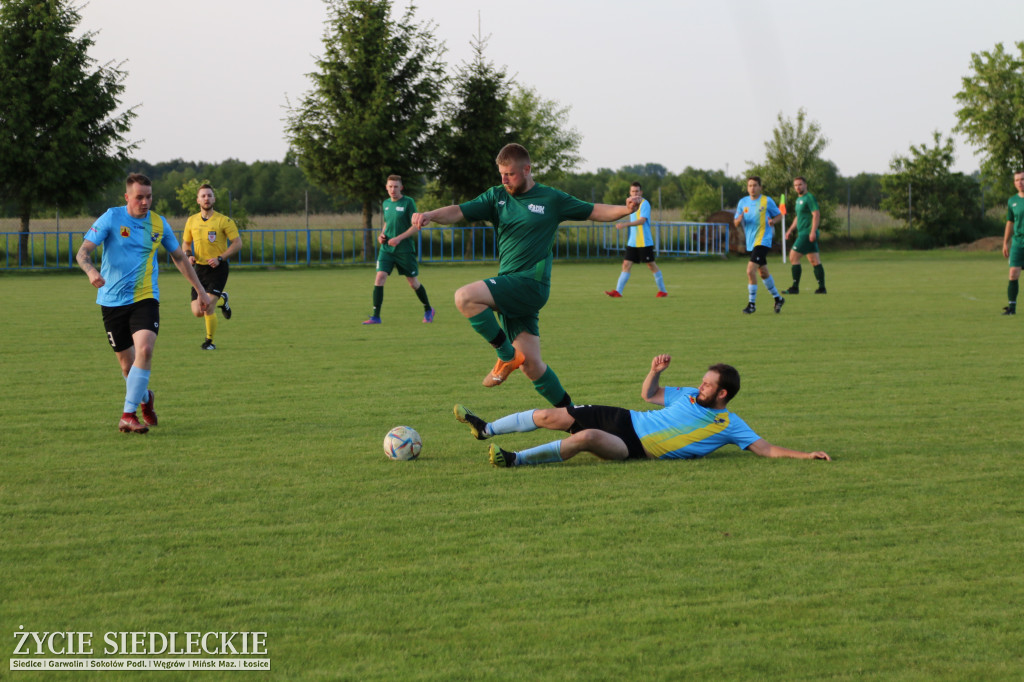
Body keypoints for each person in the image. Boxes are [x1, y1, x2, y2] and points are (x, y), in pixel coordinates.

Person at [413, 143, 640, 407]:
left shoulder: (551, 199)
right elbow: (458, 211)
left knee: (465, 297)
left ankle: (505, 355)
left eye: (509, 174)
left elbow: (594, 210)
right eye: (501, 174)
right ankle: (574, 418)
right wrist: (430, 214)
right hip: (512, 285)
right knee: (532, 366)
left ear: (527, 169)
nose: (504, 179)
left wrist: (625, 209)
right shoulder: (496, 197)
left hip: (531, 283)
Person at [454, 353, 830, 467]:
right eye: (701, 382)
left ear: (723, 394)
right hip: (626, 417)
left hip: (635, 446)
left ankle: (515, 460)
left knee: (585, 438)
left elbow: (765, 448)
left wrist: (805, 454)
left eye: (707, 386)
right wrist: (654, 372)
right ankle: (485, 429)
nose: (700, 387)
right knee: (552, 415)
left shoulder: (729, 424)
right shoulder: (686, 395)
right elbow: (649, 396)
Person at [77, 173, 211, 434]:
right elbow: (83, 252)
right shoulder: (112, 217)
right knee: (128, 368)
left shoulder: (159, 224)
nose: (145, 202)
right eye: (139, 197)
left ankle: (128, 415)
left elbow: (180, 258)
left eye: (149, 196)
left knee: (146, 350)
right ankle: (145, 399)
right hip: (111, 300)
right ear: (127, 197)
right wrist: (91, 271)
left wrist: (200, 290)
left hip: (145, 298)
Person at [363, 174, 435, 324]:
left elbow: (416, 226)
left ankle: (428, 309)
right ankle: (376, 316)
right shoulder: (386, 204)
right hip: (387, 249)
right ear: (386, 188)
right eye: (390, 186)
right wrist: (381, 235)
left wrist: (399, 238)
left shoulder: (408, 202)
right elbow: (387, 223)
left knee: (413, 283)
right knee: (380, 277)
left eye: (396, 186)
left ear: (401, 187)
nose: (393, 189)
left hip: (404, 250)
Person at [182, 184, 242, 349]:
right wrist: (189, 256)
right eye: (203, 196)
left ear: (214, 199)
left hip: (218, 269)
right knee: (197, 311)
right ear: (198, 200)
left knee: (207, 306)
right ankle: (223, 299)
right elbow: (185, 243)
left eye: (209, 195)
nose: (206, 198)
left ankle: (209, 342)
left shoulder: (224, 220)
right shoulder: (191, 221)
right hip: (199, 270)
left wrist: (220, 258)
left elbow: (237, 243)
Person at [604, 181, 668, 298]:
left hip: (644, 241)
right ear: (630, 192)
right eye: (633, 191)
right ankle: (618, 292)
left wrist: (625, 224)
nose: (635, 193)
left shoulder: (644, 204)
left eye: (637, 191)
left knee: (651, 265)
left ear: (641, 192)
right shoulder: (630, 204)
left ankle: (662, 291)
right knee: (626, 264)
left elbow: (642, 220)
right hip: (633, 242)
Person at [734, 176, 785, 314]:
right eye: (750, 185)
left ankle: (752, 305)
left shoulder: (766, 201)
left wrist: (773, 221)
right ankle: (778, 298)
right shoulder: (743, 202)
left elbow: (780, 215)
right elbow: (736, 222)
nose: (752, 188)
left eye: (755, 185)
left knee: (750, 270)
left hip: (763, 240)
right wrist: (738, 220)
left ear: (760, 187)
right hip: (751, 242)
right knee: (763, 273)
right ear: (747, 187)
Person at [784, 176, 827, 295]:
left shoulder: (809, 198)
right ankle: (822, 288)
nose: (798, 187)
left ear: (805, 185)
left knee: (793, 257)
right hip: (803, 232)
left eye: (800, 184)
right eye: (796, 185)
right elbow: (798, 217)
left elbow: (816, 214)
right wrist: (790, 230)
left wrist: (813, 231)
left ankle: (794, 287)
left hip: (807, 234)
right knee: (814, 260)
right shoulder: (798, 200)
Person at [1000, 170, 1024, 315]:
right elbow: (1010, 222)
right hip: (1018, 243)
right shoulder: (1012, 201)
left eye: (1022, 179)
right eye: (1017, 180)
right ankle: (1012, 308)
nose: (1020, 182)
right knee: (1013, 273)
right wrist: (1005, 242)